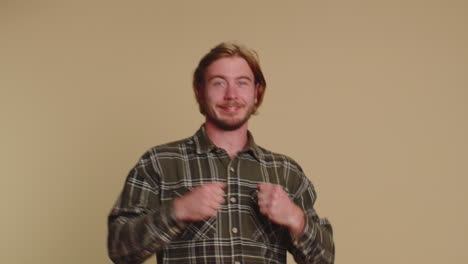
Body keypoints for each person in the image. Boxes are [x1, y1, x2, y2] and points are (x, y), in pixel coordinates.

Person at [107, 42, 335, 264]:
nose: (231, 95)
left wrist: (295, 218)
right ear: (200, 91)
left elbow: (324, 258)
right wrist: (178, 210)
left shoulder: (286, 172)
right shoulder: (159, 163)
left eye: (242, 83)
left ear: (257, 92)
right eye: (218, 83)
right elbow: (119, 249)